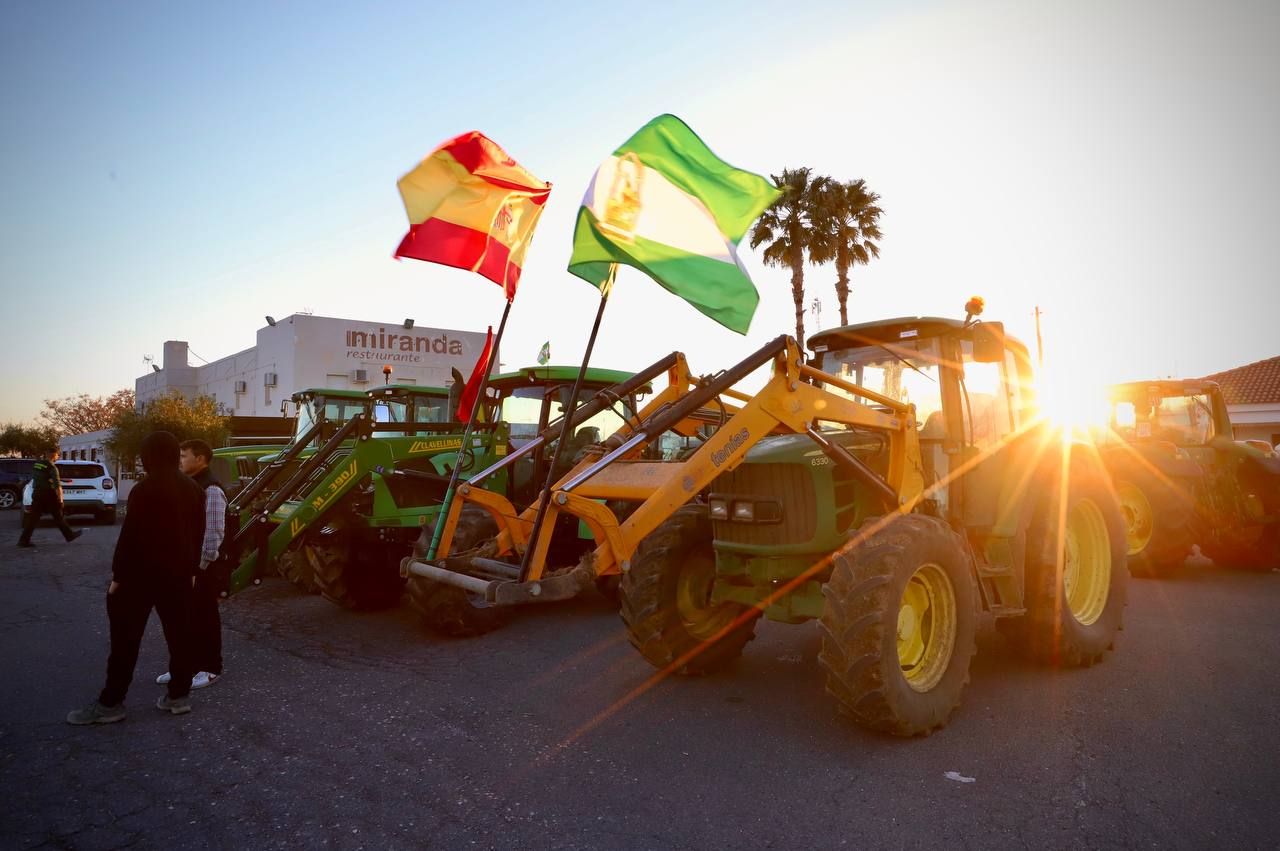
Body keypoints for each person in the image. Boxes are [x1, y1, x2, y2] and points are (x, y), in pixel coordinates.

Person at [67, 431, 205, 725]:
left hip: (140, 579)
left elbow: (131, 538)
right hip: (178, 578)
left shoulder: (144, 489)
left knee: (125, 643)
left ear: (148, 455)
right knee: (180, 638)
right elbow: (197, 535)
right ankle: (178, 697)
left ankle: (111, 703)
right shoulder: (193, 489)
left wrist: (118, 577)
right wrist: (192, 571)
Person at [154, 439, 226, 690]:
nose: (180, 460)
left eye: (184, 456)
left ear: (201, 459)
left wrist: (201, 566)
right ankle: (184, 668)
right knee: (184, 619)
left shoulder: (212, 489)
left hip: (201, 568)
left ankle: (210, 668)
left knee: (205, 618)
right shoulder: (187, 485)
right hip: (184, 565)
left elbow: (214, 532)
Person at [17, 446, 82, 548]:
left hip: (37, 493)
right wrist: (61, 500)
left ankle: (23, 540)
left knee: (33, 519)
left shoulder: (37, 464)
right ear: (54, 455)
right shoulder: (52, 467)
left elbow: (39, 477)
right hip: (49, 495)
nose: (58, 457)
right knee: (58, 516)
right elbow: (57, 486)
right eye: (57, 455)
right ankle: (69, 535)